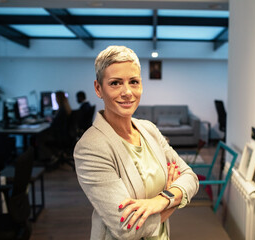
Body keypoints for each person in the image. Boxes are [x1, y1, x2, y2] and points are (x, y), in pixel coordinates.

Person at [73, 45, 199, 240]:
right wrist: (172, 196)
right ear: (98, 88)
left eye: (134, 82)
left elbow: (191, 177)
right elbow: (128, 228)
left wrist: (161, 199)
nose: (127, 92)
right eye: (115, 83)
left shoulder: (149, 129)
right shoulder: (90, 147)